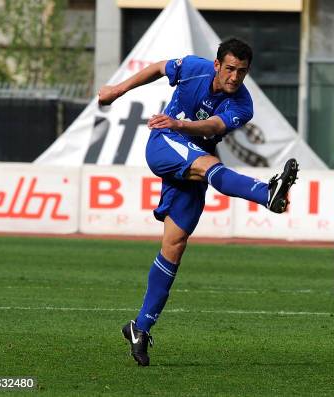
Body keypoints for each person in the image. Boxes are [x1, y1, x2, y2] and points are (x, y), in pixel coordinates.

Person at [97, 38, 299, 366]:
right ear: (217, 65)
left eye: (242, 72)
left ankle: (140, 327)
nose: (235, 77)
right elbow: (159, 68)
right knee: (208, 166)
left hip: (191, 153)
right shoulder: (193, 68)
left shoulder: (243, 105)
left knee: (174, 247)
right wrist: (118, 90)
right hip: (165, 141)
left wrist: (184, 124)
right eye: (230, 68)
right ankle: (266, 193)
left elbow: (213, 125)